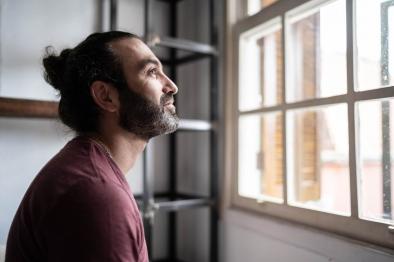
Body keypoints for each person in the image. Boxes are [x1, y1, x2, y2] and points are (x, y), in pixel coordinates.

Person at [5, 31, 179, 262]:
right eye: (151, 72)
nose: (172, 86)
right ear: (106, 96)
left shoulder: (89, 170)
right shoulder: (97, 195)